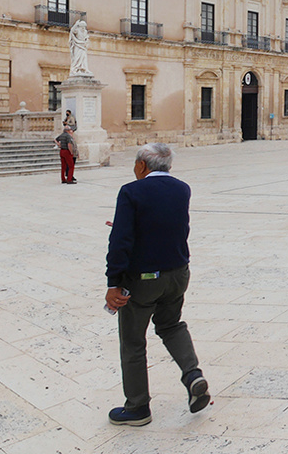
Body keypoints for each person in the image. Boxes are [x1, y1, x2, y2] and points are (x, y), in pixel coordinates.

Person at [104, 143, 208, 427]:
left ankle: (137, 407)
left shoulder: (131, 191)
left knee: (134, 341)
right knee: (171, 325)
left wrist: (114, 282)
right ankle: (192, 375)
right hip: (178, 273)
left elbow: (120, 243)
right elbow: (166, 223)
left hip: (144, 279)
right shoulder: (182, 189)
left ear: (141, 165)